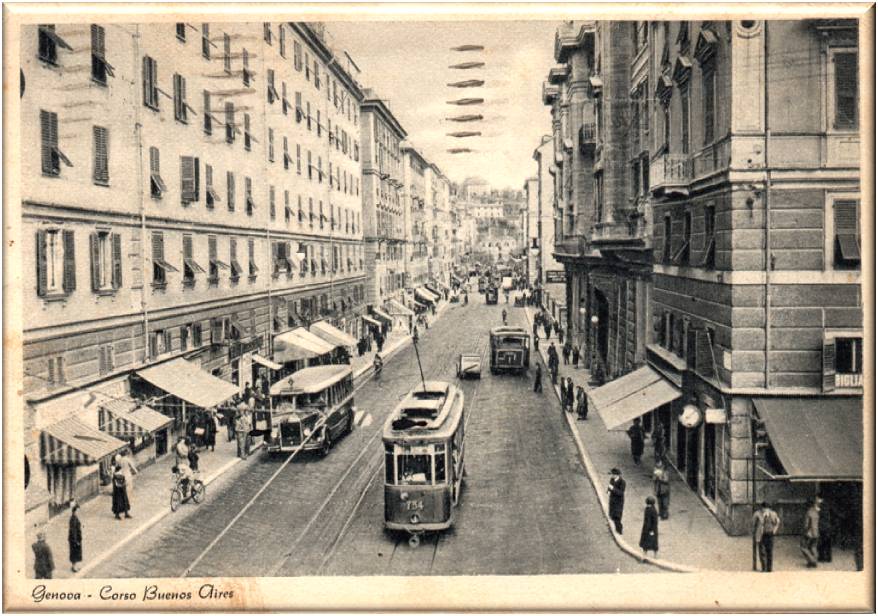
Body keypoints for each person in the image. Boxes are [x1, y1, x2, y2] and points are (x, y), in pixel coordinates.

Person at [752, 502, 780, 572]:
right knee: (762, 551)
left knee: (769, 551)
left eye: (767, 509)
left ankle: (769, 568)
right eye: (764, 509)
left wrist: (774, 531)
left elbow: (777, 522)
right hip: (761, 535)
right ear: (762, 508)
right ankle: (764, 568)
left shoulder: (773, 514)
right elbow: (753, 523)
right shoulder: (757, 514)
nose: (765, 510)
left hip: (770, 534)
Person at [801, 497, 821, 568]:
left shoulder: (808, 512)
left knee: (803, 547)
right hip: (816, 532)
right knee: (813, 547)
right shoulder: (816, 512)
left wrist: (804, 532)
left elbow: (806, 525)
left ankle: (812, 560)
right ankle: (813, 562)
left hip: (809, 533)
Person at [608, 468, 626, 534]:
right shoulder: (612, 479)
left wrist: (613, 489)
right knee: (612, 516)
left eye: (612, 474)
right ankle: (617, 529)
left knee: (617, 517)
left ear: (616, 475)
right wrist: (608, 491)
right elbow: (609, 486)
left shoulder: (622, 482)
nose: (611, 475)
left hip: (618, 502)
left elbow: (621, 493)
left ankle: (619, 530)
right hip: (612, 501)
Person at [68, 503, 82, 573]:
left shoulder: (74, 517)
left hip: (75, 538)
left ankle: (74, 566)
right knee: (74, 553)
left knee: (75, 552)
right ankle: (74, 567)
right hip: (74, 539)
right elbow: (73, 531)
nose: (79, 512)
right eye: (78, 511)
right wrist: (76, 541)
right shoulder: (73, 519)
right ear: (75, 511)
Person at [817, 498, 833, 562]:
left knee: (821, 544)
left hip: (822, 528)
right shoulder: (828, 509)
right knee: (828, 544)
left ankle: (821, 557)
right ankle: (828, 558)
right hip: (828, 528)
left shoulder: (820, 510)